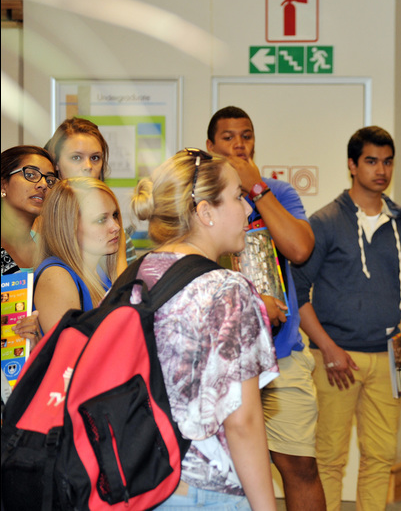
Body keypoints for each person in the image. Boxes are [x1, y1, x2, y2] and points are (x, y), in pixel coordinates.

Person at [130, 148, 279, 510]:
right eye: (238, 197)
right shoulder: (229, 289)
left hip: (142, 481)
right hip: (206, 493)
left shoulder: (138, 272)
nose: (247, 210)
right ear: (205, 212)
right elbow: (241, 419)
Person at [293, 126, 401, 511]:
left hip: (388, 358)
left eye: (387, 161)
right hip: (336, 360)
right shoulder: (325, 222)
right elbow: (299, 295)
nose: (380, 170)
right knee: (329, 458)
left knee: (380, 457)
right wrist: (329, 348)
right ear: (352, 165)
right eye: (371, 161)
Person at [206, 106, 324, 511]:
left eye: (247, 135)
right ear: (211, 146)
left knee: (300, 466)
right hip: (221, 359)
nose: (239, 144)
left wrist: (257, 190)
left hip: (283, 355)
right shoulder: (199, 200)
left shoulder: (278, 192)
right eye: (228, 137)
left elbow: (300, 249)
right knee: (230, 469)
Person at [33, 178, 122, 336]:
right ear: (68, 226)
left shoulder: (101, 272)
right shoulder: (56, 276)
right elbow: (68, 354)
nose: (116, 226)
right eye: (101, 219)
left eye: (115, 215)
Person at [45, 117, 136, 271]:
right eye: (76, 157)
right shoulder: (38, 224)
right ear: (56, 163)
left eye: (95, 158)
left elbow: (126, 290)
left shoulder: (115, 232)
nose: (87, 166)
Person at [1, 146, 58, 275]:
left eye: (49, 180)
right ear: (3, 185)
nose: (43, 184)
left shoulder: (51, 250)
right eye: (31, 175)